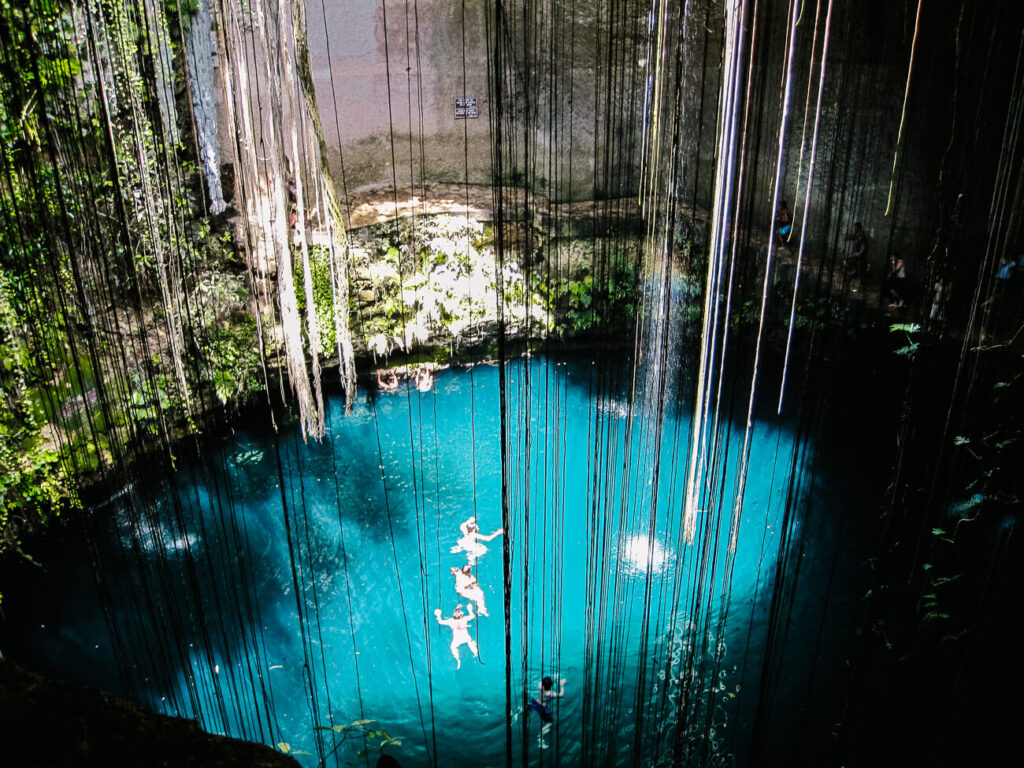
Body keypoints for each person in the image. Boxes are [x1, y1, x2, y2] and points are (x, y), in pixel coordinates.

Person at [434, 603, 478, 669]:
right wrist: (470, 609)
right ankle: (475, 653)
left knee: (453, 647)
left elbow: (440, 622)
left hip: (457, 639)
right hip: (465, 637)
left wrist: (438, 615)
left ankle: (458, 661)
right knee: (470, 641)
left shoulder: (450, 621)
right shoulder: (464, 619)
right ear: (461, 615)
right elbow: (472, 616)